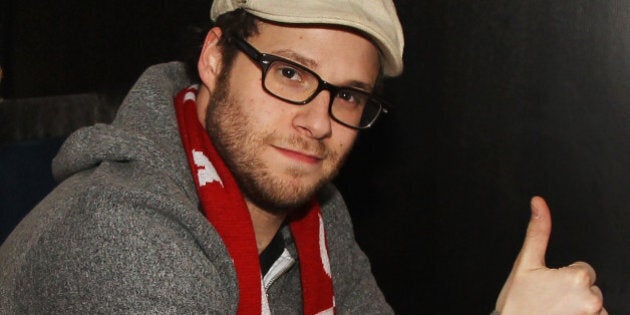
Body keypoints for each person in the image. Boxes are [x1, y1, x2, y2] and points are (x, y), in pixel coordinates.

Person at [0, 0, 606, 314]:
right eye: (289, 73)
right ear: (215, 59)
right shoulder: (121, 238)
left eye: (347, 95)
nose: (317, 122)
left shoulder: (318, 218)